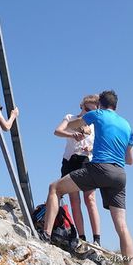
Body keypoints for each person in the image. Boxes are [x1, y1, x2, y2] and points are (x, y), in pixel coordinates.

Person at [41, 90, 133, 265]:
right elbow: (130, 160)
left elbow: (71, 124)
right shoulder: (127, 125)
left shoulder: (97, 114)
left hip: (99, 168)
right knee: (122, 226)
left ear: (100, 104)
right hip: (120, 174)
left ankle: (45, 236)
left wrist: (78, 124)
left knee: (55, 188)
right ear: (116, 106)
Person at [54, 94, 101, 245]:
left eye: (92, 111)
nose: (88, 113)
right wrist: (72, 134)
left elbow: (100, 145)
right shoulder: (70, 118)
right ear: (81, 106)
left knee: (90, 199)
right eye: (86, 109)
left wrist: (91, 148)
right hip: (70, 160)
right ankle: (81, 237)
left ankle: (96, 239)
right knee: (75, 201)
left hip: (86, 161)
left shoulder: (96, 125)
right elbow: (57, 131)